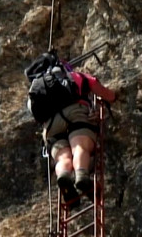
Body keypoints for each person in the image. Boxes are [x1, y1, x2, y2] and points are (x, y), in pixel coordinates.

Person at [44, 68, 115, 203]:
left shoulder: (41, 90)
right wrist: (115, 96)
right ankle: (81, 175)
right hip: (75, 113)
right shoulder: (74, 76)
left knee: (63, 158)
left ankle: (64, 176)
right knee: (80, 148)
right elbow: (104, 93)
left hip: (51, 125)